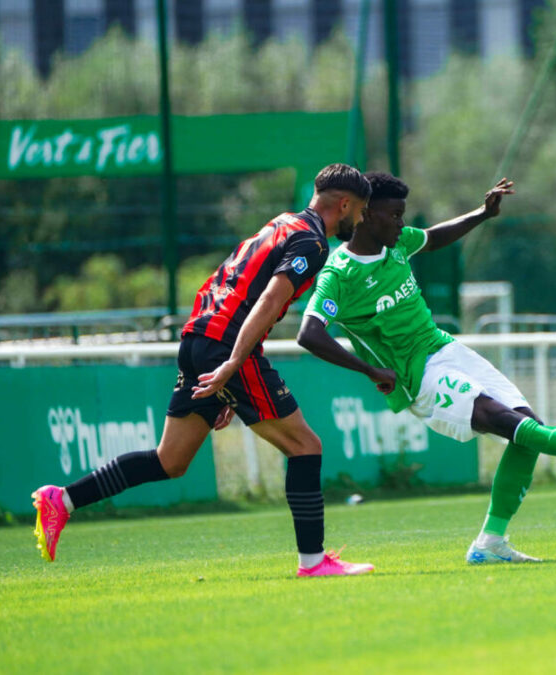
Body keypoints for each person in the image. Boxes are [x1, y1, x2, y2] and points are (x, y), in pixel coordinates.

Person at [296, 172, 556, 564]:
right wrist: (370, 371)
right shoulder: (340, 274)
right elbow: (310, 334)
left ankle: (490, 543)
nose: (402, 224)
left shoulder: (398, 243)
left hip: (446, 349)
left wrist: (482, 214)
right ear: (366, 215)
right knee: (520, 429)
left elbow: (435, 237)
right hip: (419, 376)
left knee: (528, 429)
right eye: (395, 215)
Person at [32, 163, 377, 577]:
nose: (359, 220)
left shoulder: (281, 225)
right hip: (225, 347)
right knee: (306, 446)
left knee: (170, 460)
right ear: (343, 204)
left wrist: (226, 382)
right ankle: (314, 562)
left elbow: (233, 284)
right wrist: (233, 364)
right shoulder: (313, 242)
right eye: (359, 211)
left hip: (198, 337)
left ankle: (62, 500)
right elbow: (268, 301)